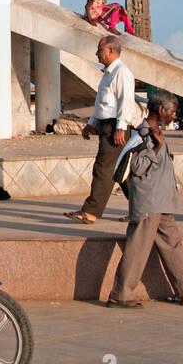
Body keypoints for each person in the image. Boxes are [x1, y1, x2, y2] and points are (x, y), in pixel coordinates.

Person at [107, 90, 183, 308]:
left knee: (172, 245)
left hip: (161, 201)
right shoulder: (144, 135)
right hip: (149, 201)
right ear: (160, 110)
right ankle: (120, 295)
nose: (174, 115)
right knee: (138, 247)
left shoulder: (155, 132)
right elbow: (137, 167)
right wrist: (156, 148)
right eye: (172, 111)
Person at [65, 35, 138, 225]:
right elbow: (102, 104)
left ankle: (91, 211)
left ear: (111, 51)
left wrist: (121, 128)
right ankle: (141, 211)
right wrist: (91, 123)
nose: (97, 54)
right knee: (122, 172)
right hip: (106, 125)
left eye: (100, 50)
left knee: (103, 169)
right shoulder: (108, 74)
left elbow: (126, 103)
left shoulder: (122, 72)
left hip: (116, 127)